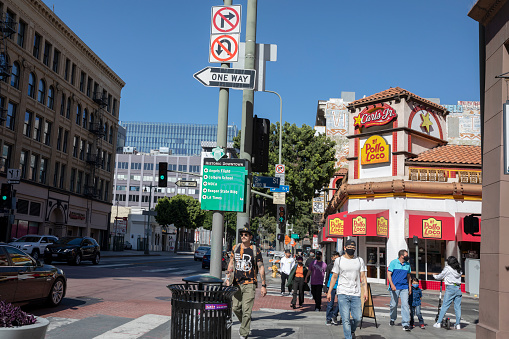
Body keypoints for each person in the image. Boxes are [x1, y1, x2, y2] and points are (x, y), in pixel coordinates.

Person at [225, 227, 267, 339]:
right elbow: (231, 263)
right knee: (235, 308)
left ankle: (244, 333)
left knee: (247, 311)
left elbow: (261, 267)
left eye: (246, 234)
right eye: (242, 234)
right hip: (236, 283)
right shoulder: (236, 247)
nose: (243, 236)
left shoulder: (255, 250)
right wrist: (228, 277)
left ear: (250, 237)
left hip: (250, 283)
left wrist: (263, 285)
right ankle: (245, 324)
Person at [327, 240, 368, 339]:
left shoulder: (359, 260)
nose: (351, 249)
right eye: (349, 247)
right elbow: (334, 277)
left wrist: (365, 291)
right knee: (345, 318)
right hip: (342, 293)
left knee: (358, 318)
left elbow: (363, 277)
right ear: (345, 248)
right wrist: (329, 291)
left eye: (353, 248)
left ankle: (352, 331)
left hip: (355, 293)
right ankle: (348, 337)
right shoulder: (339, 260)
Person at [433, 256, 463, 330]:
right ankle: (458, 324)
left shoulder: (448, 268)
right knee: (458, 307)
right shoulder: (458, 269)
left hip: (450, 288)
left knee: (445, 306)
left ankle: (438, 322)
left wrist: (434, 276)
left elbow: (440, 276)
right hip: (458, 288)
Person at [387, 249, 412, 331]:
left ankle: (405, 323)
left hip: (404, 287)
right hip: (395, 287)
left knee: (405, 305)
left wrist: (410, 287)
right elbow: (389, 274)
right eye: (406, 255)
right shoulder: (393, 263)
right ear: (402, 256)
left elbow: (409, 277)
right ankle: (392, 318)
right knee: (393, 305)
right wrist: (392, 285)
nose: (407, 256)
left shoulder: (407, 265)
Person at [324, 251, 341, 326]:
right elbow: (326, 277)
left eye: (337, 258)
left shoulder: (342, 266)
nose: (336, 260)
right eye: (334, 259)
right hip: (331, 287)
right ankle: (328, 319)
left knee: (341, 303)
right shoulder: (329, 266)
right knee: (330, 304)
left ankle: (334, 315)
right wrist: (325, 288)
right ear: (332, 258)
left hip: (340, 287)